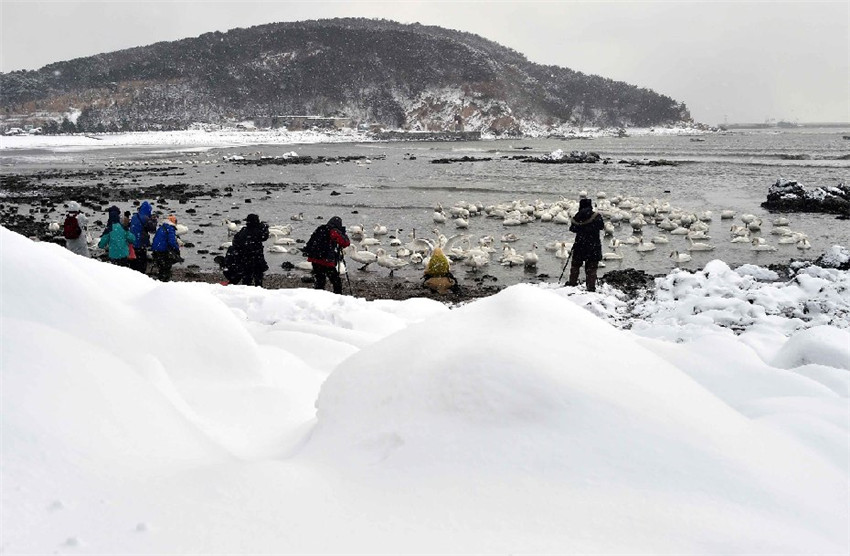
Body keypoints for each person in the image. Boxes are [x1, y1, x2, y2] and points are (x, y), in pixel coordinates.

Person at [304, 216, 350, 294]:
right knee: (336, 281)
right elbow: (345, 243)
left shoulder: (321, 228)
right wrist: (342, 233)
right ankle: (337, 296)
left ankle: (318, 297)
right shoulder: (333, 231)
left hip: (315, 258)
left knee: (320, 281)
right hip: (325, 260)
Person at [568, 198, 605, 291]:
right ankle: (590, 286)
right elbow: (601, 227)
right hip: (593, 245)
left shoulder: (577, 217)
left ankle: (572, 283)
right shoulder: (596, 216)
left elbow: (572, 229)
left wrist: (582, 229)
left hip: (580, 244)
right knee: (592, 267)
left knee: (575, 265)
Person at [225, 213, 269, 286]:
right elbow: (265, 236)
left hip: (245, 259)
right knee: (258, 277)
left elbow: (235, 243)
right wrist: (263, 226)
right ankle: (259, 290)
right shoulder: (258, 231)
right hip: (257, 258)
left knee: (247, 278)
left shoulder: (243, 231)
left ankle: (246, 290)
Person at [128, 201, 157, 274]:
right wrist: (154, 220)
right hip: (141, 244)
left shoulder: (134, 217)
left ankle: (132, 275)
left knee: (133, 263)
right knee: (141, 264)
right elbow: (152, 229)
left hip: (132, 243)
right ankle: (140, 277)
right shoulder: (145, 218)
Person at [151, 215, 182, 281]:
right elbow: (172, 242)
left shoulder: (162, 227)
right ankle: (164, 281)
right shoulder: (170, 228)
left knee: (162, 267)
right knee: (166, 267)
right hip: (162, 251)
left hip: (155, 250)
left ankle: (161, 278)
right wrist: (177, 248)